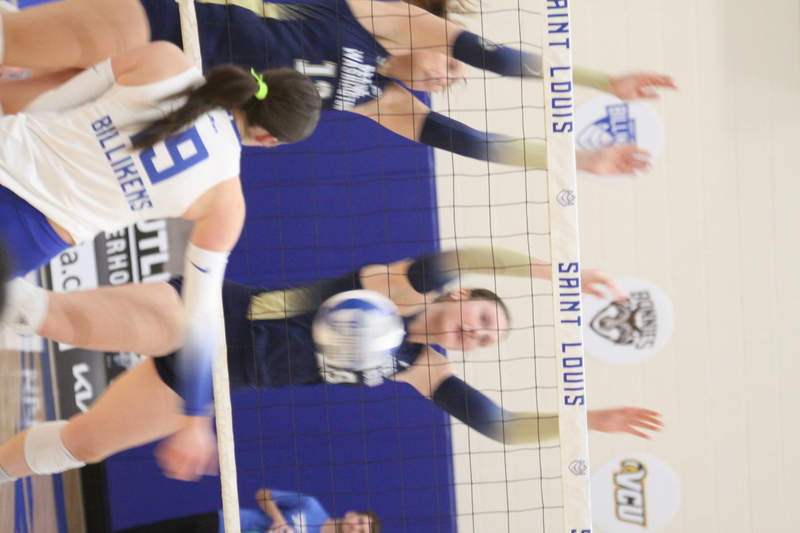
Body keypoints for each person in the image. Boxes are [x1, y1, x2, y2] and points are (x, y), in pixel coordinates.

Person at [0, 246, 662, 484]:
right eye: (481, 319)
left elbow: (499, 423)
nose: (472, 334)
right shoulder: (404, 285)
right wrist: (554, 272)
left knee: (82, 443)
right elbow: (472, 255)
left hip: (214, 379)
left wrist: (587, 418)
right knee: (50, 315)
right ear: (459, 297)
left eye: (482, 341)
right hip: (205, 314)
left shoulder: (414, 365)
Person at [0, 36, 321, 481]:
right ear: (268, 140)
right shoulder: (225, 203)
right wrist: (194, 418)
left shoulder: (166, 60)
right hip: (23, 235)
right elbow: (198, 318)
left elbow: (49, 103)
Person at [0, 0, 676, 175]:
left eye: (449, 82)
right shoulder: (383, 19)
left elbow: (472, 143)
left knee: (18, 105)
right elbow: (488, 52)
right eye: (449, 65)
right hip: (168, 21)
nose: (447, 75)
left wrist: (576, 160)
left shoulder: (378, 100)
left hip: (164, 82)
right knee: (15, 45)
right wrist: (600, 81)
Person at [116, 487, 380, 533]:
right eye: (360, 522)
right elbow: (264, 495)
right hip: (221, 523)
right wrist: (279, 522)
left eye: (361, 532)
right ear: (351, 514)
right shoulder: (310, 505)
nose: (355, 528)